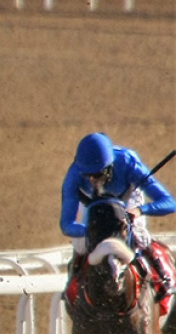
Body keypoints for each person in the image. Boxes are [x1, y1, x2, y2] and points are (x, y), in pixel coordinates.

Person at [60, 132, 176, 313]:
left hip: (126, 199)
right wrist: (91, 232)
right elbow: (66, 225)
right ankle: (74, 283)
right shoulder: (74, 176)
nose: (92, 179)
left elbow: (170, 203)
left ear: (110, 167)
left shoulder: (129, 163)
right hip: (92, 204)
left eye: (97, 174)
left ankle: (162, 276)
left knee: (138, 237)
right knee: (81, 245)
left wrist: (139, 211)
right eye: (87, 175)